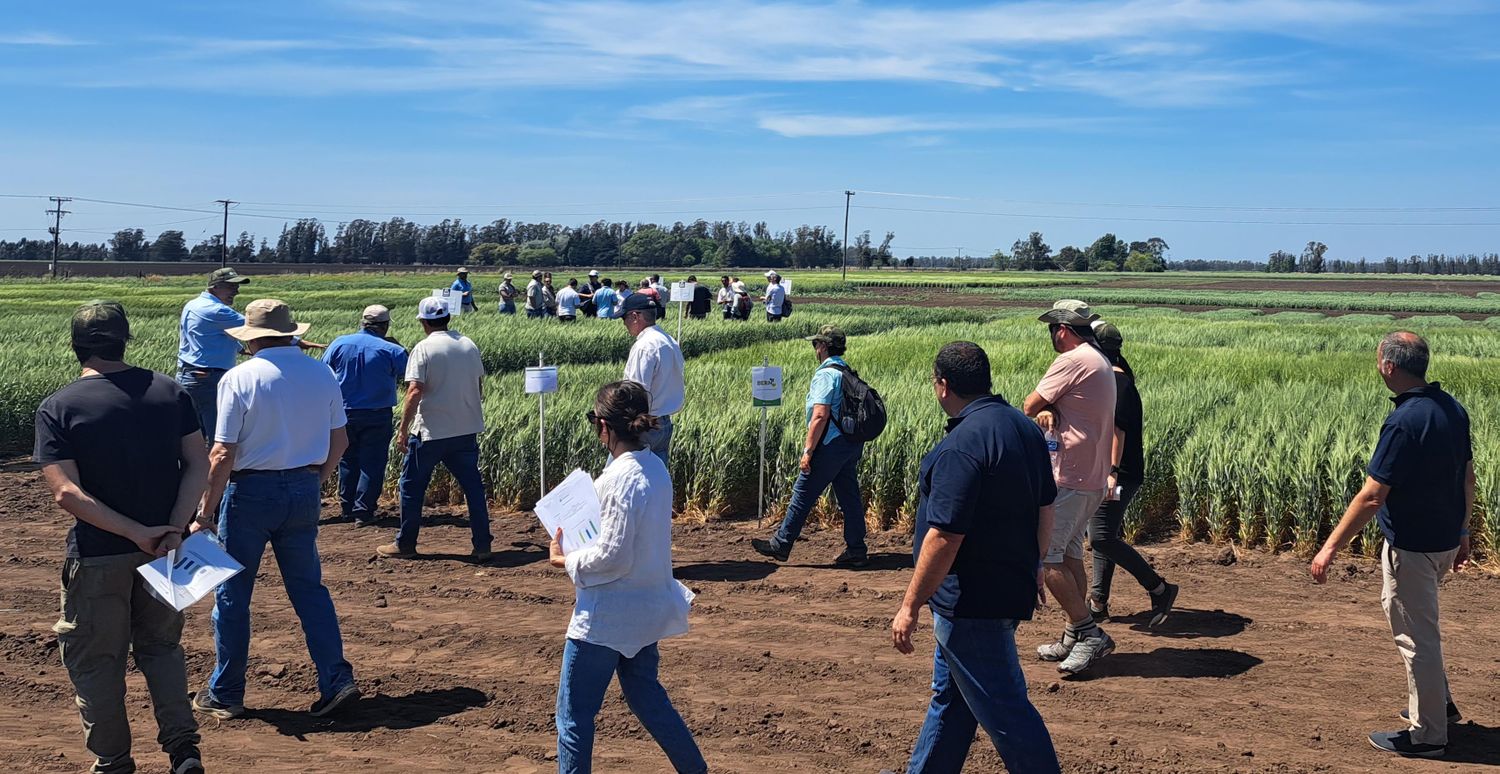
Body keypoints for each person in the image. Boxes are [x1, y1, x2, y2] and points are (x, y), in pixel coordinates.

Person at [36, 300, 209, 774]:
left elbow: (66, 494)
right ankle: (184, 752)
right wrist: (173, 528)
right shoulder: (169, 392)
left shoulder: (59, 407)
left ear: (75, 347)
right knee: (162, 649)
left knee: (98, 661)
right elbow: (199, 463)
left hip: (99, 555)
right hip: (169, 552)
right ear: (125, 340)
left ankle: (113, 763)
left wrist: (137, 533)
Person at [891, 341, 1060, 774]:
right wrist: (1035, 563)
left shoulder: (961, 446)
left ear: (943, 386)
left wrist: (910, 606)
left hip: (970, 603)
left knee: (1007, 712)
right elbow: (1045, 509)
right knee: (952, 703)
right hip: (1007, 588)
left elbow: (944, 537)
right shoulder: (1024, 429)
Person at [192, 298, 359, 720]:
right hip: (304, 488)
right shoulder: (322, 372)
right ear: (290, 334)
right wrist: (314, 482)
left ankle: (226, 692)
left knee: (232, 594)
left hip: (251, 494)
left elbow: (222, 452)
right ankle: (336, 680)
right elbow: (340, 441)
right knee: (309, 590)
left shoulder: (239, 378)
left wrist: (205, 513)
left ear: (252, 340)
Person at [1311, 332, 1473, 759]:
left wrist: (1329, 548)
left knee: (1416, 638)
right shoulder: (1451, 408)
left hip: (1413, 548)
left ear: (1389, 366)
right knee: (1422, 628)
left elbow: (1371, 496)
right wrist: (1463, 532)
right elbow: (1467, 478)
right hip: (1441, 542)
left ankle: (1429, 737)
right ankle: (1442, 706)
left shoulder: (1404, 421)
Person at [548, 381, 706, 774]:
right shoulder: (656, 467)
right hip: (646, 608)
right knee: (646, 696)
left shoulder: (619, 480)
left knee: (574, 717)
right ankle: (694, 769)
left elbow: (612, 557)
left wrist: (565, 560)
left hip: (605, 619)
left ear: (604, 427)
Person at [1022, 299, 1116, 675]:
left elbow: (1030, 404)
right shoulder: (1100, 360)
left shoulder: (1072, 359)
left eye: (1051, 330)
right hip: (1093, 475)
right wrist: (1059, 411)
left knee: (1048, 557)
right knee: (1072, 554)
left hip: (1070, 475)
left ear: (1062, 330)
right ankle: (1074, 633)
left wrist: (1050, 409)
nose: (1051, 336)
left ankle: (1089, 633)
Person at [378, 298, 493, 560]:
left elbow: (414, 391)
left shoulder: (423, 348)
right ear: (448, 318)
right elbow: (479, 386)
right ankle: (483, 545)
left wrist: (403, 428)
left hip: (430, 431)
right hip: (465, 429)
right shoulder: (468, 344)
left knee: (411, 486)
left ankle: (405, 544)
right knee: (473, 487)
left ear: (424, 322)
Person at [1085, 320, 1177, 625]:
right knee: (1104, 534)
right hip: (1121, 471)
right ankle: (1098, 602)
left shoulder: (1115, 382)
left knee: (1100, 537)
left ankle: (1159, 588)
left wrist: (1110, 473)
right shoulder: (1118, 378)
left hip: (1118, 473)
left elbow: (1116, 432)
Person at [752, 326, 868, 567]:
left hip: (829, 445)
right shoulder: (846, 370)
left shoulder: (826, 374)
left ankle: (781, 544)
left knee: (802, 493)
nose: (814, 349)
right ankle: (857, 548)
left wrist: (808, 450)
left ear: (824, 347)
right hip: (849, 444)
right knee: (849, 497)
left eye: (816, 344)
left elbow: (820, 415)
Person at [322, 305, 409, 527]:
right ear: (385, 326)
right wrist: (400, 346)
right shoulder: (391, 349)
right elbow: (409, 372)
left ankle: (346, 508)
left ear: (362, 322)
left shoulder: (339, 343)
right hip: (377, 414)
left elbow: (324, 369)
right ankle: (363, 511)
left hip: (343, 412)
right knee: (373, 462)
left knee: (347, 458)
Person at [177, 267, 249, 441]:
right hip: (209, 379)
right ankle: (213, 468)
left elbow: (208, 335)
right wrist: (295, 341)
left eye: (237, 287)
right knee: (218, 438)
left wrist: (240, 349)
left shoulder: (193, 304)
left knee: (192, 438)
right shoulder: (217, 310)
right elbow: (258, 326)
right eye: (231, 287)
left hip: (190, 376)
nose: (236, 291)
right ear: (215, 287)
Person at [619, 293, 684, 467]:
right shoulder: (669, 340)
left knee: (626, 477)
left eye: (623, 318)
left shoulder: (644, 346)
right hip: (663, 424)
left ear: (634, 316)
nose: (623, 323)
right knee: (657, 477)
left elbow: (635, 391)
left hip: (643, 426)